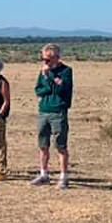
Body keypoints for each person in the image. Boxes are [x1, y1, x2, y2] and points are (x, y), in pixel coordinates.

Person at [30, 43, 73, 189]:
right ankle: (44, 173)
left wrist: (50, 77)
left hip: (58, 111)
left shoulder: (66, 71)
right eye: (43, 59)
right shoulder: (42, 72)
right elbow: (39, 90)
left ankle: (63, 176)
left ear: (56, 57)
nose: (45, 62)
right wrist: (51, 84)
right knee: (43, 144)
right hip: (44, 110)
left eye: (48, 59)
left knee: (60, 145)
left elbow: (62, 89)